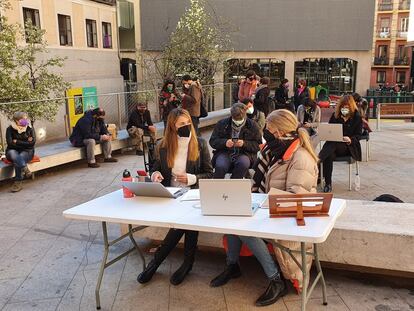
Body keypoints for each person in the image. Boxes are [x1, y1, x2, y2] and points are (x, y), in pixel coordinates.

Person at [211, 109, 319, 306]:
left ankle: (276, 279)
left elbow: (296, 199)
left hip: (291, 217)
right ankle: (232, 265)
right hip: (270, 209)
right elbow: (258, 184)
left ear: (278, 132)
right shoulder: (274, 151)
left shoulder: (300, 158)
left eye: (267, 129)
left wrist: (259, 205)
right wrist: (247, 199)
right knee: (233, 215)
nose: (264, 133)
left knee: (244, 227)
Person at [137, 108, 213, 285]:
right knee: (185, 223)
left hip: (193, 195)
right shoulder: (163, 145)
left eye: (188, 123)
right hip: (170, 195)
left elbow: (210, 174)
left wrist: (192, 178)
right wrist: (155, 174)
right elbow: (154, 168)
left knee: (186, 222)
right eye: (181, 124)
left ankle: (157, 262)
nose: (187, 126)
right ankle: (187, 262)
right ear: (172, 127)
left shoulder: (200, 144)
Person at [319, 95, 362, 192]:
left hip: (349, 147)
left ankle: (318, 159)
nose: (344, 109)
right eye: (342, 107)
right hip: (334, 147)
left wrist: (350, 139)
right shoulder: (335, 116)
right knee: (329, 153)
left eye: (346, 107)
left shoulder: (357, 117)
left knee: (331, 145)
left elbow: (359, 135)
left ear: (351, 107)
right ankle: (328, 184)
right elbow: (330, 131)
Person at [209, 103, 261, 179]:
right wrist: (225, 142)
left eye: (240, 120)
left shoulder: (253, 125)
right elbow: (213, 141)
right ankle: (216, 187)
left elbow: (258, 145)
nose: (237, 122)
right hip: (224, 152)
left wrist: (244, 144)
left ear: (245, 115)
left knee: (243, 164)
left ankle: (234, 185)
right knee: (220, 166)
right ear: (231, 115)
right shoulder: (222, 123)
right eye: (235, 119)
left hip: (244, 153)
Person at [5, 112, 36, 192]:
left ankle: (18, 182)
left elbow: (32, 143)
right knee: (14, 155)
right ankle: (25, 168)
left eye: (26, 118)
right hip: (12, 151)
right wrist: (26, 143)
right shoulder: (10, 129)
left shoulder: (30, 128)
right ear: (16, 120)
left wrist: (17, 142)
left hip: (27, 151)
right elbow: (10, 144)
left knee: (19, 159)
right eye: (23, 119)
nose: (25, 120)